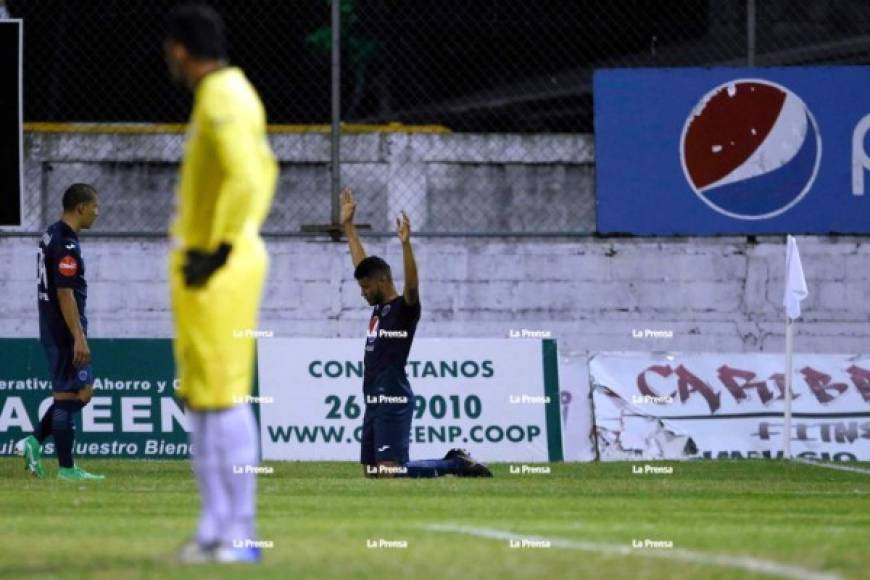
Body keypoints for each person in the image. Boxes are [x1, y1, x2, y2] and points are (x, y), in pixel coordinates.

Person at [164, 4, 277, 564]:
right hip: (207, 266)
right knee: (204, 397)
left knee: (223, 396)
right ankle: (215, 528)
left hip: (218, 268)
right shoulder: (226, 93)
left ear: (180, 50)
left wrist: (222, 248)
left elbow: (251, 176)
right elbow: (260, 170)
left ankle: (240, 535)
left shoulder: (223, 96)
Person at [340, 188, 492, 479]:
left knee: (390, 472)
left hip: (393, 394)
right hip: (373, 395)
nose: (363, 294)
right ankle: (454, 461)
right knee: (373, 472)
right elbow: (363, 266)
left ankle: (456, 464)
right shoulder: (378, 308)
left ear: (383, 280)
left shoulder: (403, 310)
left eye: (366, 288)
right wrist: (349, 227)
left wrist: (406, 246)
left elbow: (411, 288)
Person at [17, 183, 103, 481]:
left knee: (77, 393)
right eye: (94, 206)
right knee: (72, 395)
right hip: (65, 329)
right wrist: (79, 337)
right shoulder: (66, 243)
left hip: (54, 325)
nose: (97, 212)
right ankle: (66, 468)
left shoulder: (50, 233)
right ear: (80, 207)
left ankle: (34, 442)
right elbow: (65, 292)